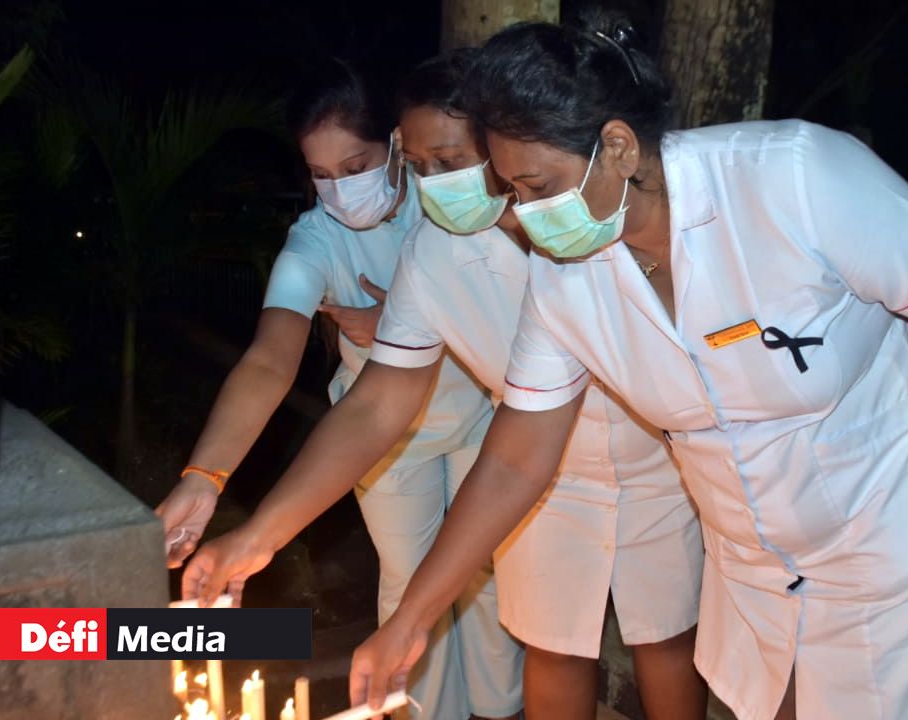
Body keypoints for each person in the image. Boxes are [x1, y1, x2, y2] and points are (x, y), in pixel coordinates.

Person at [346, 11, 908, 720]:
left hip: (889, 526)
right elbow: (514, 457)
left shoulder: (793, 176)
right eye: (513, 191)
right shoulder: (567, 276)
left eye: (537, 186)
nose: (525, 215)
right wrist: (411, 620)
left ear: (617, 147)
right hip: (755, 559)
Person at [182, 51, 708, 720]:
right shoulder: (431, 256)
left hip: (648, 454)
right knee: (551, 645)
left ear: (500, 149)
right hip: (537, 475)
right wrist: (257, 533)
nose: (437, 185)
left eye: (451, 162)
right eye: (422, 166)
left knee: (664, 637)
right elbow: (375, 404)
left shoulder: (585, 219)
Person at [153, 58, 516, 720]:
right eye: (321, 175)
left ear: (396, 145)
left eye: (355, 167)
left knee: (487, 569)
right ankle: (425, 712)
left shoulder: (447, 198)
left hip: (482, 411)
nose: (341, 191)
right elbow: (269, 361)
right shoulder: (313, 242)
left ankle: (501, 708)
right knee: (409, 581)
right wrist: (205, 477)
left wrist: (402, 321)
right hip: (384, 437)